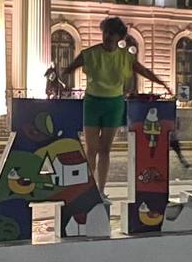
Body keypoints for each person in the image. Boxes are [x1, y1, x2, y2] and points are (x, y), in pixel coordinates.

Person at [51, 16, 170, 195]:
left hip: (114, 105)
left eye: (112, 34)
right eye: (106, 32)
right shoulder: (90, 54)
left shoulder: (126, 57)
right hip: (92, 103)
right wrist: (61, 76)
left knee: (105, 149)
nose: (107, 36)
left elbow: (144, 71)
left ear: (119, 37)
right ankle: (88, 189)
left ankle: (100, 190)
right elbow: (70, 68)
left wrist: (162, 83)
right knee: (91, 149)